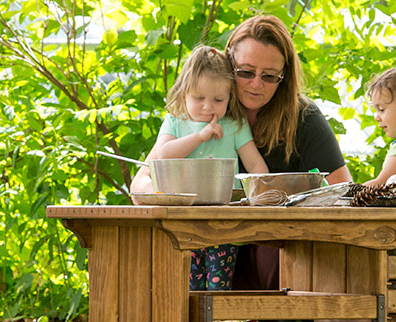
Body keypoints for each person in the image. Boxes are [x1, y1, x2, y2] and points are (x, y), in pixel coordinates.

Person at [130, 15, 352, 290]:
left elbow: (343, 191)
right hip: (203, 236)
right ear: (227, 65)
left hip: (275, 245)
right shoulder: (195, 116)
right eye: (246, 72)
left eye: (269, 76)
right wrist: (179, 196)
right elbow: (142, 181)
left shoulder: (303, 118)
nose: (256, 85)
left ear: (284, 78)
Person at [154, 44, 268, 291]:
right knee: (188, 286)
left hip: (223, 224)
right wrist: (201, 136)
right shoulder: (175, 122)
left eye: (218, 100)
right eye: (199, 98)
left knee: (218, 287)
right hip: (184, 224)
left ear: (229, 98)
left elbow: (255, 164)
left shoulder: (234, 126)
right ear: (184, 93)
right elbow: (163, 156)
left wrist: (263, 192)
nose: (208, 107)